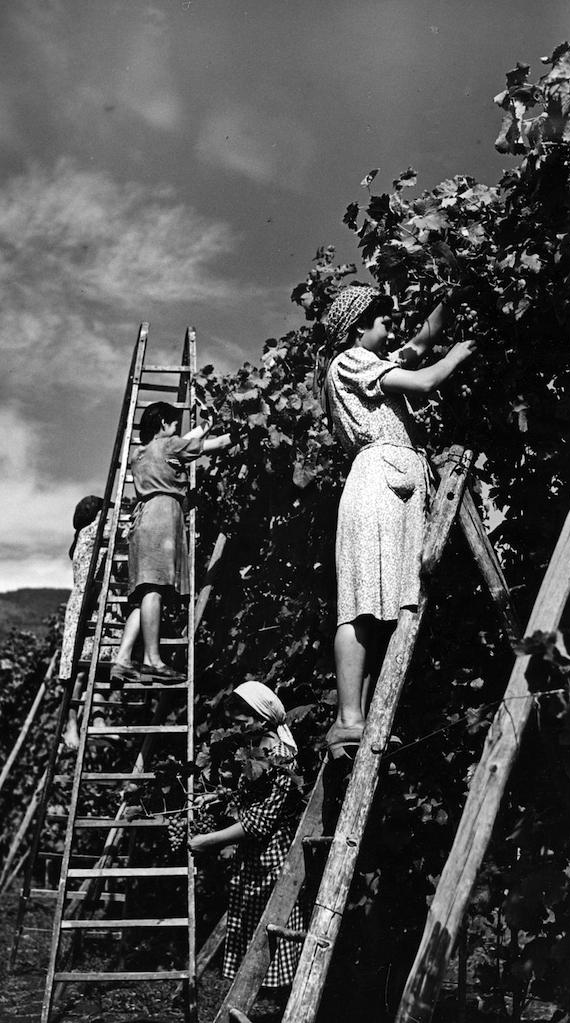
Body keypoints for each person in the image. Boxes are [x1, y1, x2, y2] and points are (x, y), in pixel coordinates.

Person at [323, 285, 476, 757]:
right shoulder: (350, 360)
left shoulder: (371, 359)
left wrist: (454, 295)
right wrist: (463, 353)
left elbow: (417, 345)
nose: (391, 332)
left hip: (395, 488)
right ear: (356, 330)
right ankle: (348, 718)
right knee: (362, 602)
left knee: (381, 604)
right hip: (377, 485)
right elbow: (426, 378)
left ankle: (359, 719)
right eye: (382, 323)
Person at [188, 680, 304, 990]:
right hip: (253, 861)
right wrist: (218, 797)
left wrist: (207, 842)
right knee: (251, 948)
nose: (237, 720)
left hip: (271, 864)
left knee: (267, 941)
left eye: (244, 714)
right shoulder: (255, 751)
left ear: (264, 718)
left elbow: (259, 823)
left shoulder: (281, 756)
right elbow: (250, 792)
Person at [110, 402, 230, 686]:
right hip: (162, 519)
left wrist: (206, 424)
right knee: (155, 590)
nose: (177, 428)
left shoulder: (140, 454)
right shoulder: (168, 446)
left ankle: (123, 658)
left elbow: (182, 444)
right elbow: (211, 445)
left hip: (143, 521)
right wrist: (238, 431)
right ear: (164, 423)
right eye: (174, 423)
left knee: (145, 592)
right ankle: (153, 660)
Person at [59, 495, 107, 749]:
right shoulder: (91, 534)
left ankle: (97, 721)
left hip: (96, 606)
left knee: (96, 668)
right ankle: (71, 726)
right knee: (79, 671)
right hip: (87, 608)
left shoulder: (86, 536)